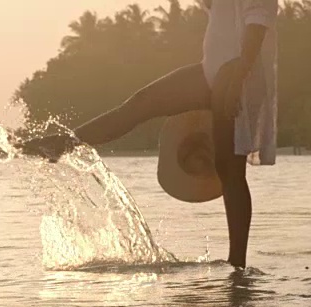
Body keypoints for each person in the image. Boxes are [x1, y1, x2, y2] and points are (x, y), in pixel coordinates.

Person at [16, 0, 278, 269]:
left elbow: (258, 19)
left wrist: (239, 75)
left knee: (230, 170)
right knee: (143, 102)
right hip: (211, 68)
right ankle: (63, 144)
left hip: (236, 71)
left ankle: (237, 264)